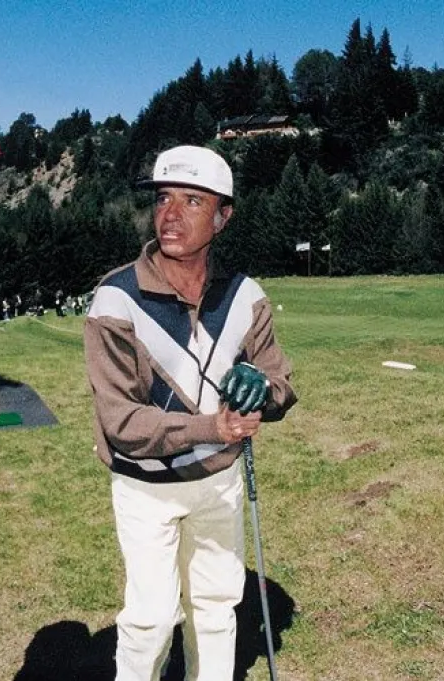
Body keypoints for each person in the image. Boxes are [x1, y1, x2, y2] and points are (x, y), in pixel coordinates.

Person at [84, 145, 297, 681]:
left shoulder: (245, 296)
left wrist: (261, 391)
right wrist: (213, 426)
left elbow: (281, 384)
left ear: (223, 217)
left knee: (216, 606)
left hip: (218, 482)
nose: (171, 215)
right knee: (152, 619)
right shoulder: (116, 298)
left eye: (193, 201)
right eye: (163, 199)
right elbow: (121, 422)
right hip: (145, 486)